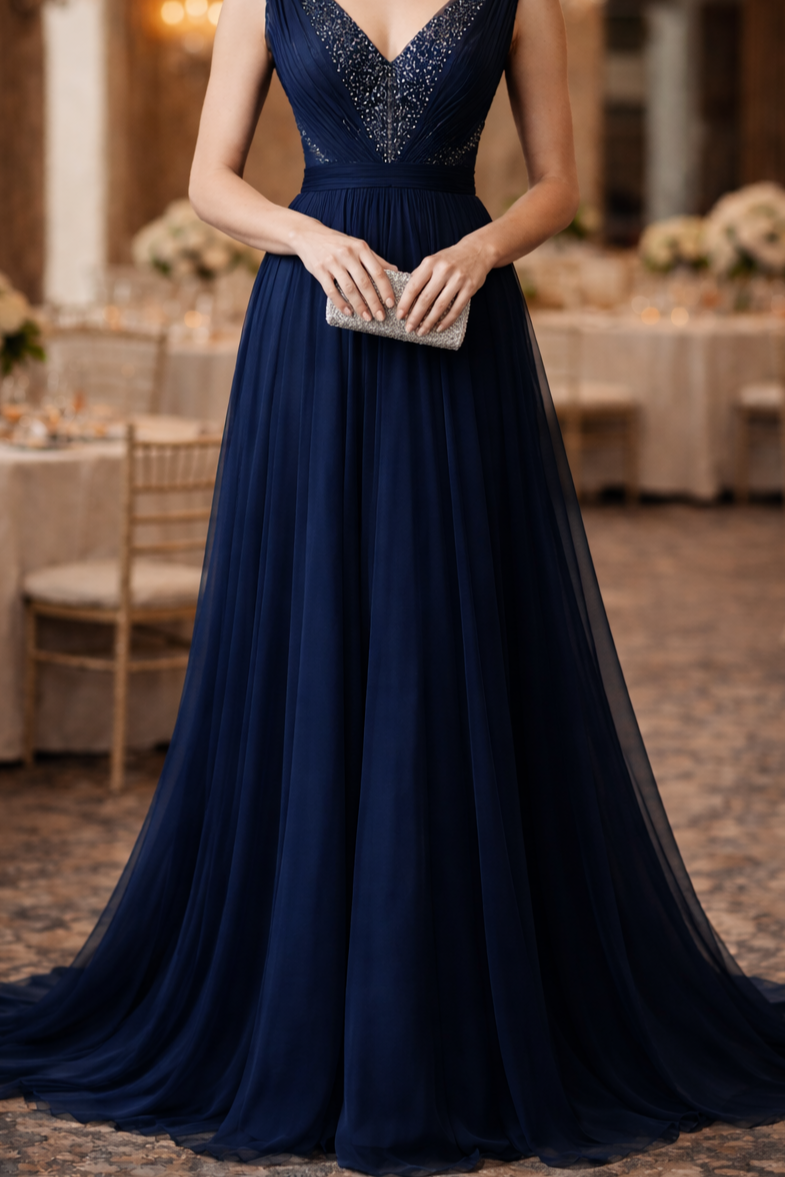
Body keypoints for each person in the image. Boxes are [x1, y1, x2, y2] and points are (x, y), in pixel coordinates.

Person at [3, 0, 785, 1171]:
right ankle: (299, 983)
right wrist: (303, 236)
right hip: (310, 330)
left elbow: (558, 185)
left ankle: (456, 984)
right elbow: (209, 179)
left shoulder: (520, 3)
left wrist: (479, 249)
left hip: (456, 320)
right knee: (313, 629)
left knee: (447, 633)